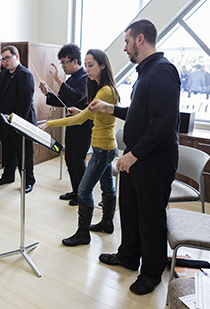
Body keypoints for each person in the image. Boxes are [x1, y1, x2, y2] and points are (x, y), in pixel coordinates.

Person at [88, 19, 180, 295]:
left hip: (153, 159)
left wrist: (134, 154)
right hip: (136, 156)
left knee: (150, 217)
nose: (125, 48)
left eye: (127, 42)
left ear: (140, 39)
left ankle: (151, 273)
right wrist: (110, 108)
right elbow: (140, 115)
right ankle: (128, 256)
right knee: (129, 209)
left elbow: (163, 122)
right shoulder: (146, 72)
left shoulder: (163, 72)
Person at [39, 49, 119, 246]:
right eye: (87, 64)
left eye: (91, 65)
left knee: (84, 191)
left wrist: (49, 124)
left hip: (103, 149)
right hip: (106, 147)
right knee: (107, 186)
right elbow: (91, 114)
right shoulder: (103, 89)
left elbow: (79, 119)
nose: (88, 70)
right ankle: (107, 223)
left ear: (102, 65)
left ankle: (83, 234)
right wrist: (82, 110)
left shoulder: (104, 91)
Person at [39, 43, 92, 206]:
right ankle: (76, 190)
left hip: (83, 127)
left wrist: (58, 80)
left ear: (75, 61)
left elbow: (77, 98)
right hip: (71, 125)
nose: (62, 66)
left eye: (64, 62)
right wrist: (48, 93)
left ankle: (83, 195)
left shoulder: (85, 78)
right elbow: (64, 101)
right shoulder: (71, 79)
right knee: (69, 159)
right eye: (61, 63)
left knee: (78, 161)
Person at [0, 45, 36, 193]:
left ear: (16, 57)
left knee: (23, 154)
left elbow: (24, 102)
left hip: (20, 123)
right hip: (4, 122)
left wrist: (16, 123)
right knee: (8, 151)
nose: (5, 61)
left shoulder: (25, 75)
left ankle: (28, 181)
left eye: (7, 58)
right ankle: (8, 176)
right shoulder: (4, 74)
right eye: (3, 59)